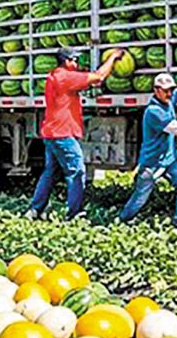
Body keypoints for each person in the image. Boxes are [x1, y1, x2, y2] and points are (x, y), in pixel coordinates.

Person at [26, 46, 124, 220]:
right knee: (76, 172)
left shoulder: (54, 75)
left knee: (50, 173)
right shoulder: (65, 77)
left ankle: (35, 209)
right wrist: (113, 57)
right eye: (74, 60)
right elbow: (99, 76)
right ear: (67, 61)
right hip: (63, 134)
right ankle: (74, 213)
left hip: (51, 132)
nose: (77, 63)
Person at [118, 66, 177, 226]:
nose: (169, 94)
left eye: (171, 90)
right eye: (166, 91)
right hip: (153, 162)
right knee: (141, 195)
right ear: (156, 90)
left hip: (169, 160)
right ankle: (124, 219)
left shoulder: (168, 101)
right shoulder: (154, 111)